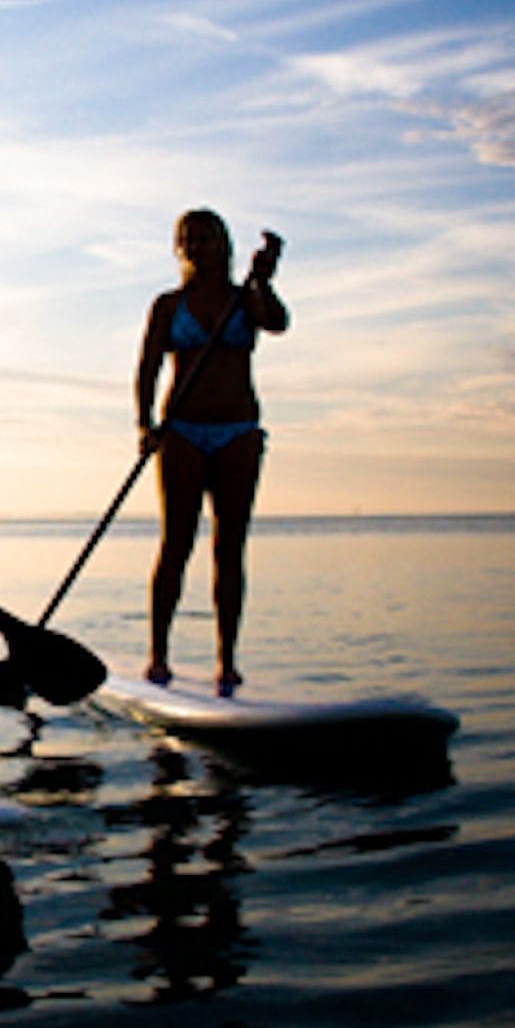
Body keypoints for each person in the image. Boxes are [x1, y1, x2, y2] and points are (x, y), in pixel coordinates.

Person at [135, 212, 286, 691]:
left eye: (206, 238)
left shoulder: (245, 301)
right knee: (176, 543)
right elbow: (148, 368)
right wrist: (146, 424)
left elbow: (278, 322)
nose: (198, 247)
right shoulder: (167, 305)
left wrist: (262, 280)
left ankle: (228, 660)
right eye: (188, 240)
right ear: (180, 250)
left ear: (224, 245)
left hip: (237, 433)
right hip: (181, 433)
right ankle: (158, 655)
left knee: (230, 547)